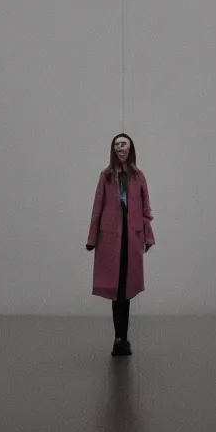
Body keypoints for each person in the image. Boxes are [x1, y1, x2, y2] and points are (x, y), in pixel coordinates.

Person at [85, 134, 154, 356]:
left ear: (130, 147)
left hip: (131, 241)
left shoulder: (138, 176)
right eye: (116, 145)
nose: (120, 147)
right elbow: (97, 207)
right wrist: (92, 239)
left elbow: (146, 210)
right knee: (116, 291)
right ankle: (118, 339)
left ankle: (124, 338)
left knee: (127, 291)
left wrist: (148, 237)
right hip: (111, 241)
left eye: (123, 144)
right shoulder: (106, 177)